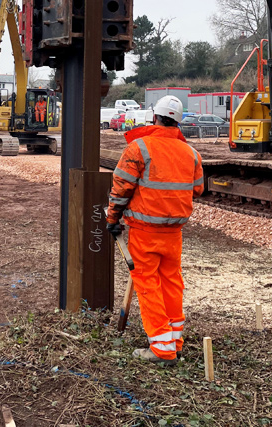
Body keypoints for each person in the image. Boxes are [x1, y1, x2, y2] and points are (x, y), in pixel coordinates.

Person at [105, 95, 203, 365]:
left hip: (144, 232)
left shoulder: (139, 148)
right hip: (174, 233)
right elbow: (198, 188)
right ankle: (175, 341)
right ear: (178, 122)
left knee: (147, 284)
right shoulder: (191, 153)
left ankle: (162, 348)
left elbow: (122, 187)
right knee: (172, 283)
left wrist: (113, 219)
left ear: (153, 117)